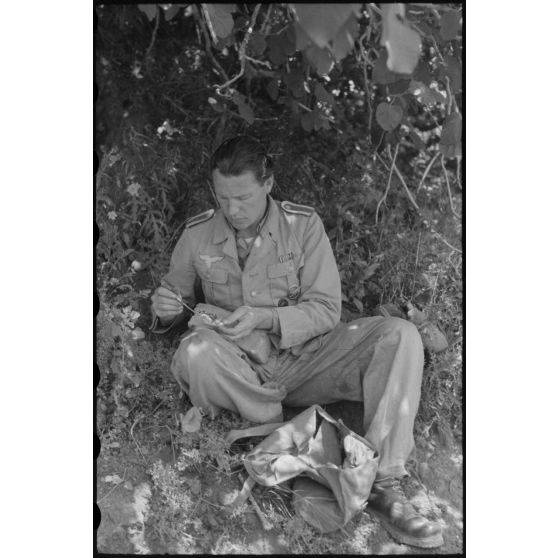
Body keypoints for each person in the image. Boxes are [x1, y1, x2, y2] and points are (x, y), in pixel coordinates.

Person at [150, 135, 443, 548]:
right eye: (223, 198)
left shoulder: (302, 225)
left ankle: (383, 485)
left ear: (268, 183)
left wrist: (267, 317)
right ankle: (273, 423)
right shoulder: (197, 234)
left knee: (399, 335)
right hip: (241, 367)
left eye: (243, 198)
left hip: (311, 360)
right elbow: (173, 300)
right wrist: (165, 310)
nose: (232, 210)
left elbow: (326, 309)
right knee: (194, 353)